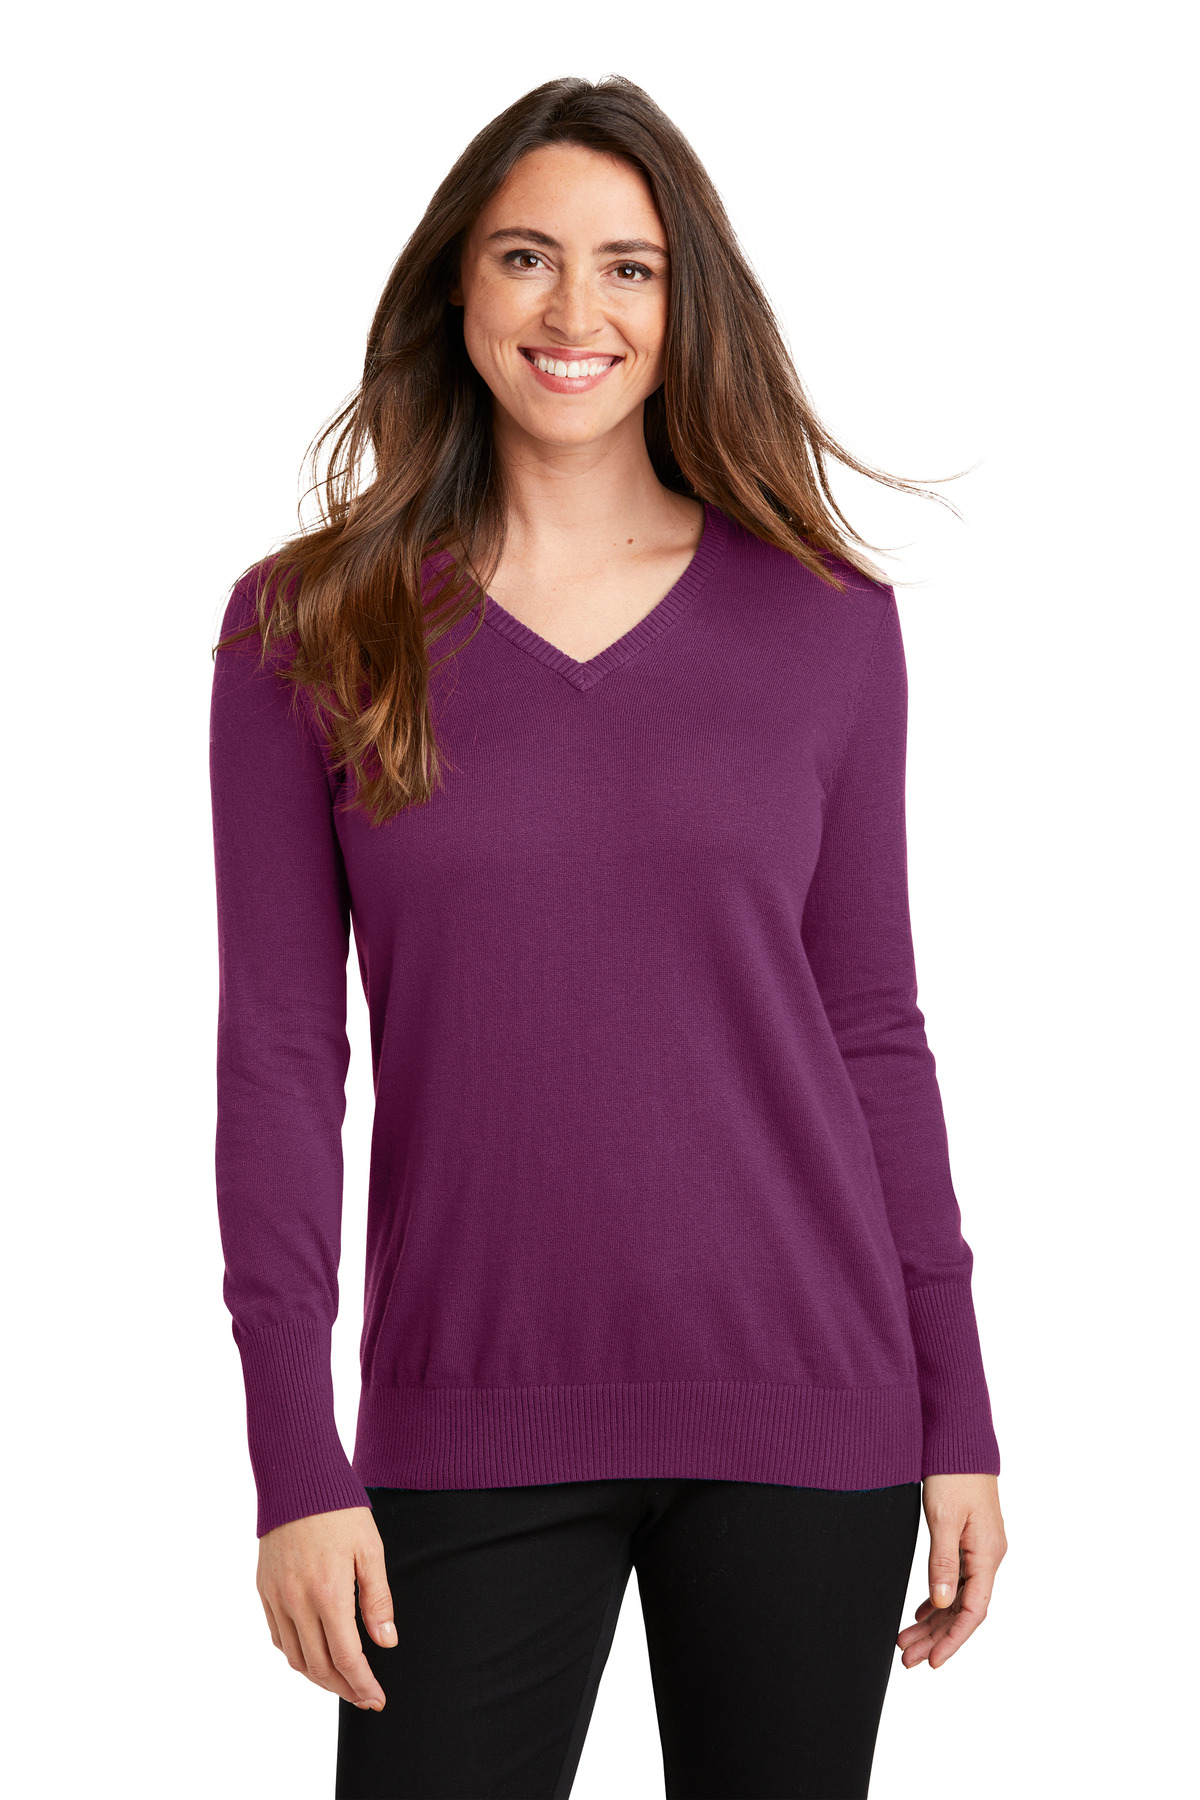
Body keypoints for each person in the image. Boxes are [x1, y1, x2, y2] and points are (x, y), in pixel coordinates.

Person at [209, 74, 1006, 1800]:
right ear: (457, 289)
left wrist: (958, 1407)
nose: (577, 310)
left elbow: (873, 1026)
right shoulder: (311, 625)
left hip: (810, 1410)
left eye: (629, 267)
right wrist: (291, 1454)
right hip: (465, 1415)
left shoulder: (824, 619)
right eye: (527, 258)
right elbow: (278, 1055)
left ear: (682, 302)